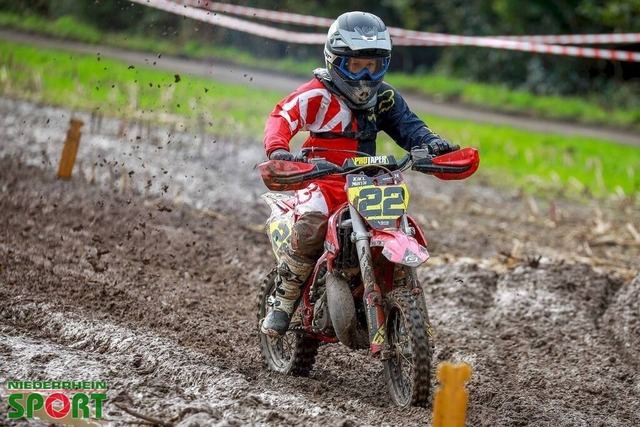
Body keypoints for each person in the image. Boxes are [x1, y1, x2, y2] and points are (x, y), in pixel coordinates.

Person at [260, 11, 459, 338]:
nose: (365, 75)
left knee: (399, 221)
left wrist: (431, 143)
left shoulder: (385, 98)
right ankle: (282, 301)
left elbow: (409, 126)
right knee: (312, 227)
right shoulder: (316, 94)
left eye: (373, 65)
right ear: (335, 61)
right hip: (322, 179)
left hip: (367, 180)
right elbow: (282, 116)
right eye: (355, 66)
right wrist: (279, 149)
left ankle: (398, 295)